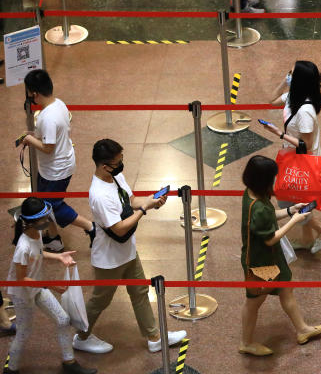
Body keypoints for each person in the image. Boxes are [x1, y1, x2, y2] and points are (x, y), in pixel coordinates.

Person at [73, 139, 187, 355]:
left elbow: (131, 200)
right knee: (100, 301)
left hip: (127, 252)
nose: (121, 164)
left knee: (139, 291)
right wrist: (144, 210)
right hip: (109, 258)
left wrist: (151, 201)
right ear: (104, 165)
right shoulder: (99, 195)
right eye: (118, 162)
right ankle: (81, 337)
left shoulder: (115, 176)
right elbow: (119, 229)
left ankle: (154, 337)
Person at [239, 155, 321, 356]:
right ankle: (246, 342)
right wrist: (295, 220)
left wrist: (289, 211)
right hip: (261, 263)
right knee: (254, 302)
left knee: (286, 289)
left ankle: (302, 329)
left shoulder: (252, 194)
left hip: (272, 257)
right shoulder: (258, 208)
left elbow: (270, 215)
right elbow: (270, 238)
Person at [4, 198, 95, 374]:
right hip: (23, 293)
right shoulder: (22, 248)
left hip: (37, 287)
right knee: (24, 332)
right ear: (31, 222)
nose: (48, 222)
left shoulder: (36, 234)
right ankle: (11, 369)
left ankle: (69, 362)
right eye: (44, 219)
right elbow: (22, 279)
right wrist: (51, 285)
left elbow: (38, 252)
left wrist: (59, 257)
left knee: (63, 319)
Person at [260, 61, 321, 253]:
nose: (288, 76)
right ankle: (307, 239)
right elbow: (271, 99)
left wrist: (279, 133)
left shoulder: (305, 112)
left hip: (303, 160)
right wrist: (285, 82)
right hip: (291, 156)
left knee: (287, 199)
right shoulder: (292, 97)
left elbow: (307, 145)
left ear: (300, 80)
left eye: (292, 74)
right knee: (292, 198)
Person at [18, 70, 95, 253]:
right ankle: (53, 239)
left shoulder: (48, 117)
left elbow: (48, 147)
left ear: (34, 93)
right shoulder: (58, 103)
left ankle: (91, 228)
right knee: (45, 204)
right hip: (54, 167)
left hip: (56, 170)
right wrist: (31, 135)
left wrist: (29, 140)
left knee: (53, 206)